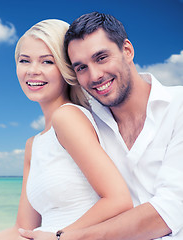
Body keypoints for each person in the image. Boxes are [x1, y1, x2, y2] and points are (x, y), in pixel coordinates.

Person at [0, 19, 133, 240]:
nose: (33, 71)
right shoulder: (33, 145)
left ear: (65, 67)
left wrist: (60, 236)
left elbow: (118, 200)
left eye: (47, 62)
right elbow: (22, 230)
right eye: (24, 60)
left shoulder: (67, 117)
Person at [42, 11, 182, 240]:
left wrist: (65, 238)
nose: (95, 75)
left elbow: (171, 210)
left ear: (127, 50)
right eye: (81, 68)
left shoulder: (178, 107)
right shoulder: (87, 123)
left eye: (101, 58)